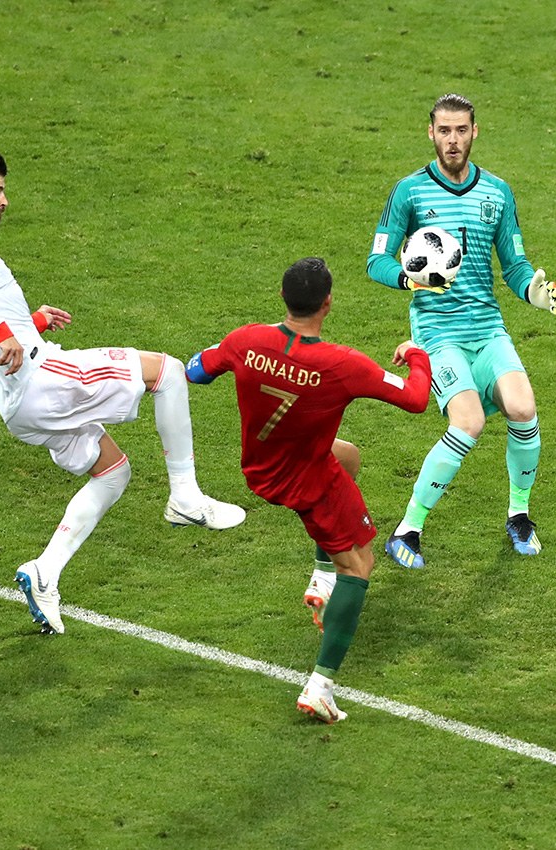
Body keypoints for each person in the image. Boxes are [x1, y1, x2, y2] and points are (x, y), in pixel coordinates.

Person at [0, 149, 245, 636]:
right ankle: (186, 497)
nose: (4, 201)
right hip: (42, 379)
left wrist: (26, 324)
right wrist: (4, 331)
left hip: (18, 405)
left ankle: (44, 573)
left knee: (113, 472)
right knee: (168, 372)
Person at [184, 257, 431, 722]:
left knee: (349, 456)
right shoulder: (342, 364)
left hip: (261, 467)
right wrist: (417, 354)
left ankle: (322, 578)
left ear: (283, 298)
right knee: (360, 564)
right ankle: (321, 686)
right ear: (328, 303)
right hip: (306, 477)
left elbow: (197, 371)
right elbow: (416, 399)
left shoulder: (245, 340)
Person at [366, 92, 556, 570]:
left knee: (524, 408)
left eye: (461, 131)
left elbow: (513, 266)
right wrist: (410, 278)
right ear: (430, 132)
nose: (452, 140)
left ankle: (519, 515)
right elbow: (375, 261)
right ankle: (407, 528)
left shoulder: (497, 192)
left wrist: (531, 291)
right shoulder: (409, 191)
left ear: (475, 132)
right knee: (469, 422)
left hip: (487, 326)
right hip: (437, 332)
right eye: (444, 131)